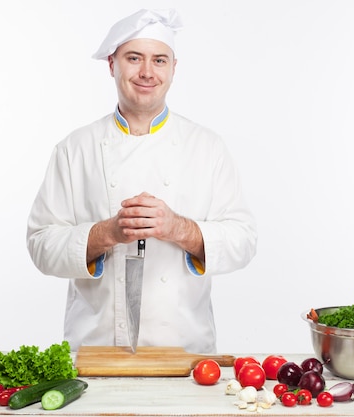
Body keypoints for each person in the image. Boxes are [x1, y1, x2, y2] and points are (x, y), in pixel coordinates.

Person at [26, 9, 257, 354]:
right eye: (134, 58)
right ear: (111, 65)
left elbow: (244, 240)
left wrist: (178, 228)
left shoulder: (207, 147)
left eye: (159, 60)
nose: (147, 72)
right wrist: (108, 233)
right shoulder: (75, 149)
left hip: (186, 353)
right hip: (95, 350)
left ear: (173, 69)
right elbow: (41, 244)